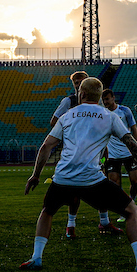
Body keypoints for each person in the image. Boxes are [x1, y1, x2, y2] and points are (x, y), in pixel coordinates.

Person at [21, 77, 137, 272]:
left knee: (47, 211)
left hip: (63, 177)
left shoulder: (68, 116)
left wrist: (36, 175)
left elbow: (46, 146)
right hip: (91, 178)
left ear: (81, 94)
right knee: (132, 212)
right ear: (99, 97)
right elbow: (131, 143)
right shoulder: (109, 116)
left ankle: (36, 258)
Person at [50, 71, 88, 238]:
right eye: (76, 83)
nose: (79, 84)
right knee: (73, 191)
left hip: (93, 152)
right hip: (73, 153)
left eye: (81, 82)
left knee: (103, 186)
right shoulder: (69, 101)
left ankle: (105, 221)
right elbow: (54, 121)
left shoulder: (96, 103)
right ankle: (70, 225)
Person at [99, 88, 137, 236]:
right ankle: (124, 208)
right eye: (104, 100)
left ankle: (132, 201)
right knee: (115, 183)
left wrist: (136, 147)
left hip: (128, 152)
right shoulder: (103, 114)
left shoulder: (124, 111)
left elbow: (134, 128)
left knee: (135, 181)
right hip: (113, 155)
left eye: (107, 99)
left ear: (113, 98)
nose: (105, 102)